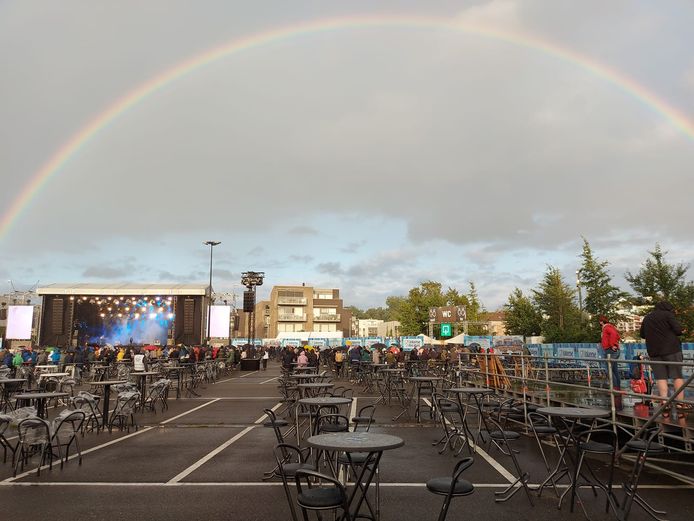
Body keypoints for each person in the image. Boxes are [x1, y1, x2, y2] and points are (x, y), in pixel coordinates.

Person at [640, 301, 689, 416]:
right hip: (671, 350)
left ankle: (664, 403)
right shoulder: (668, 315)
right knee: (676, 376)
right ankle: (680, 404)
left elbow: (642, 334)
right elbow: (678, 330)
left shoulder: (647, 317)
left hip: (654, 351)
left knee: (661, 377)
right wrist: (682, 330)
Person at [599, 315, 622, 391]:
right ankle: (618, 387)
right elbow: (617, 336)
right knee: (614, 369)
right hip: (612, 350)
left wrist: (612, 345)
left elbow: (614, 334)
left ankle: (614, 388)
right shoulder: (611, 327)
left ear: (602, 322)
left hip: (610, 350)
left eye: (600, 321)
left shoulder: (606, 328)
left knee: (608, 369)